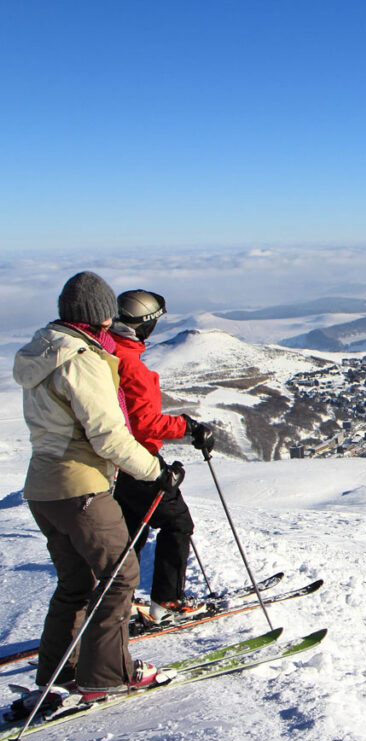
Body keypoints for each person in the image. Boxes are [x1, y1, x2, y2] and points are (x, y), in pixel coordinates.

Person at [13, 271, 184, 702]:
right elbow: (109, 436)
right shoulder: (83, 359)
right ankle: (107, 674)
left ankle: (60, 675)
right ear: (100, 317)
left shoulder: (43, 351)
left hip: (43, 488)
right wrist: (156, 472)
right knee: (120, 576)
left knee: (77, 583)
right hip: (82, 486)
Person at [109, 288, 215, 623]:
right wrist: (188, 427)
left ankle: (119, 603)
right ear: (144, 325)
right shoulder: (131, 365)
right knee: (177, 522)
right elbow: (144, 423)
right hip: (138, 459)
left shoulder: (107, 354)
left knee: (132, 532)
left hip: (115, 463)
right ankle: (166, 603)